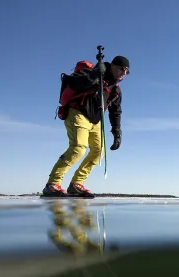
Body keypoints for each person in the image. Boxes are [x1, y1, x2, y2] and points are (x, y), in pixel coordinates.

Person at [42, 55, 130, 197]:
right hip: (78, 112)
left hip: (95, 120)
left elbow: (115, 112)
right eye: (122, 69)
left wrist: (117, 131)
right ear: (113, 66)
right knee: (78, 148)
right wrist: (95, 73)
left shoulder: (116, 90)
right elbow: (74, 84)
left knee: (98, 151)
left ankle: (76, 184)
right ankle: (52, 184)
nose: (124, 73)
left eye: (126, 71)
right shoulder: (95, 71)